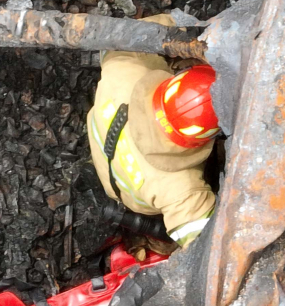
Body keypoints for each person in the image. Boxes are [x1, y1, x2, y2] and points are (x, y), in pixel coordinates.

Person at [86, 15, 218, 249]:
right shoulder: (180, 189)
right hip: (131, 198)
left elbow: (134, 31)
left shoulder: (124, 68)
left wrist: (183, 27)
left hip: (100, 151)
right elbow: (206, 246)